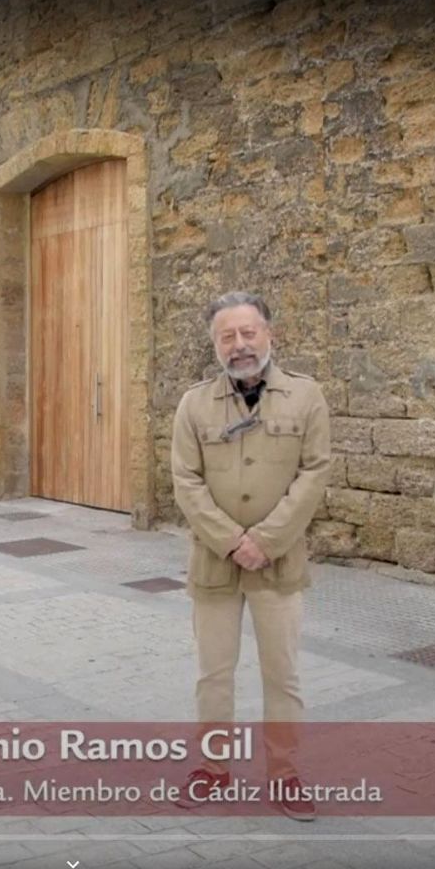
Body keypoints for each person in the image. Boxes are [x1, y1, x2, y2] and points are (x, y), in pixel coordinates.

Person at [170, 291, 331, 821]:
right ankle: (213, 771)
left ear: (269, 333)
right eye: (226, 336)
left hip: (279, 563)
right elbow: (186, 482)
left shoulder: (306, 397)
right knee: (213, 674)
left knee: (281, 674)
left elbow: (314, 473)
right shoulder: (194, 404)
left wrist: (266, 540)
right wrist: (233, 541)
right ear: (214, 343)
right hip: (215, 562)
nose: (239, 345)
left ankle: (284, 774)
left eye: (248, 333)